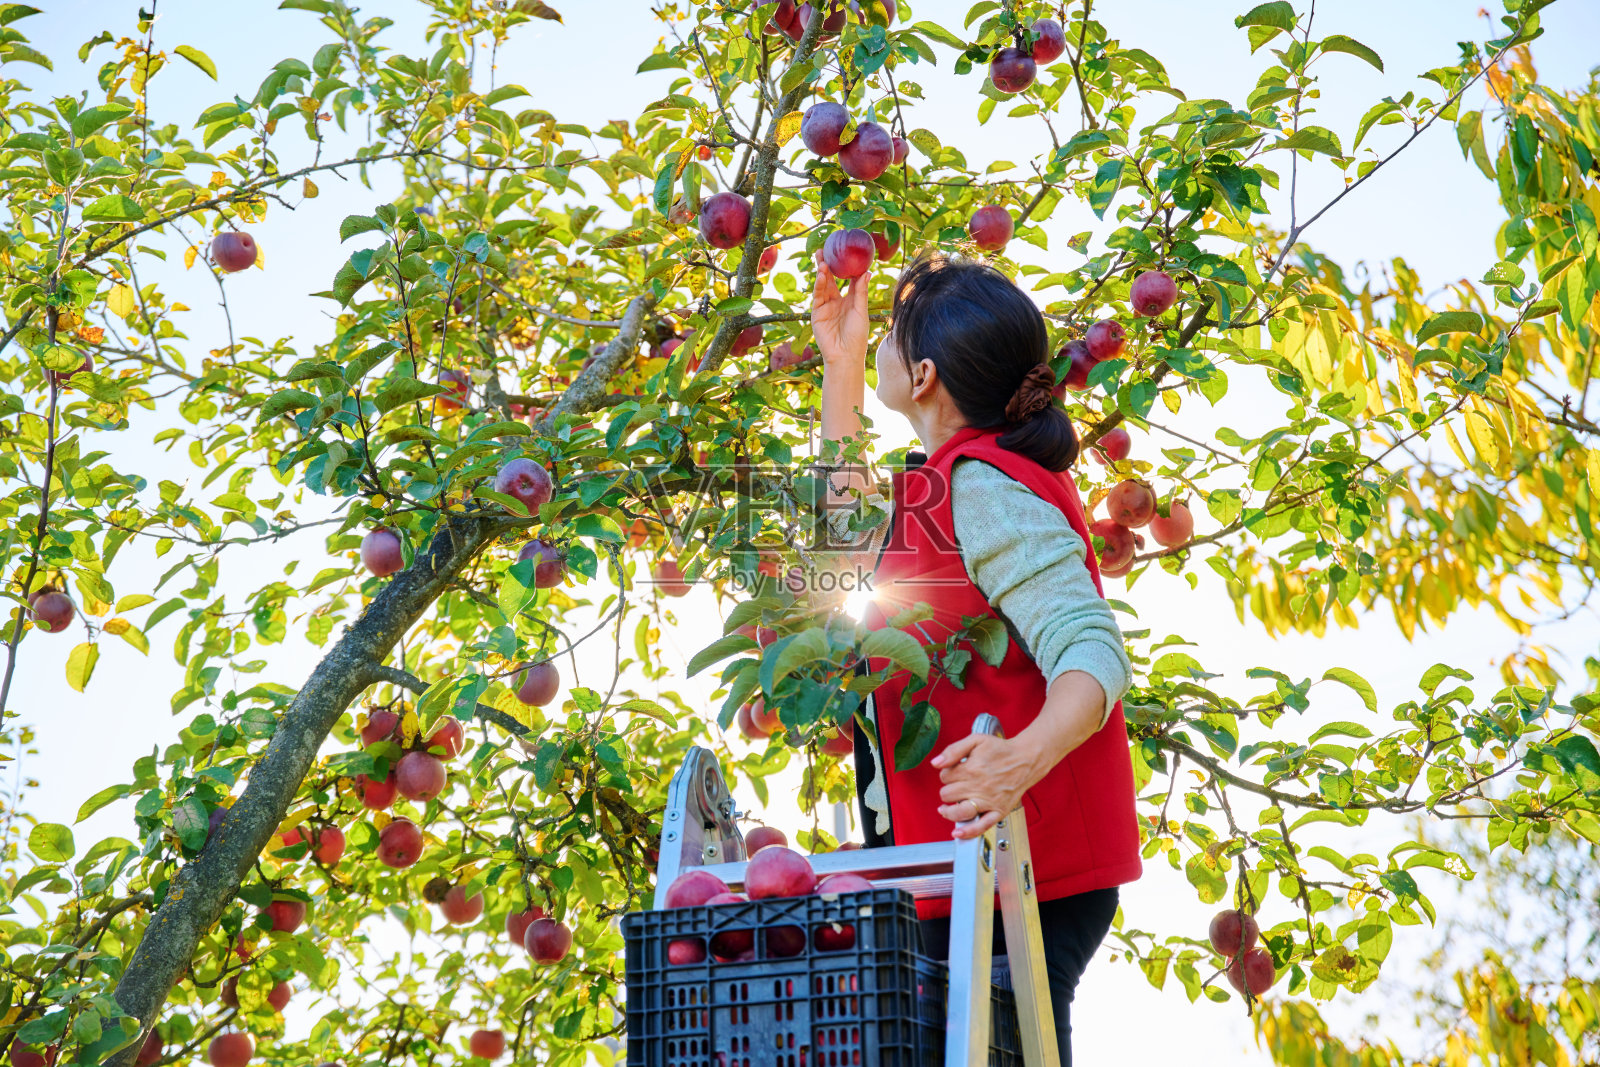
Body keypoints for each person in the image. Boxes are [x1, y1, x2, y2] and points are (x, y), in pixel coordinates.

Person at [810, 251, 1143, 1065]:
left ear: (923, 375)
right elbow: (844, 541)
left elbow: (1091, 644)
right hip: (969, 878)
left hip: (1023, 877)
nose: (879, 343)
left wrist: (1020, 758)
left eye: (888, 336)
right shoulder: (944, 481)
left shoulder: (986, 487)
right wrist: (844, 363)